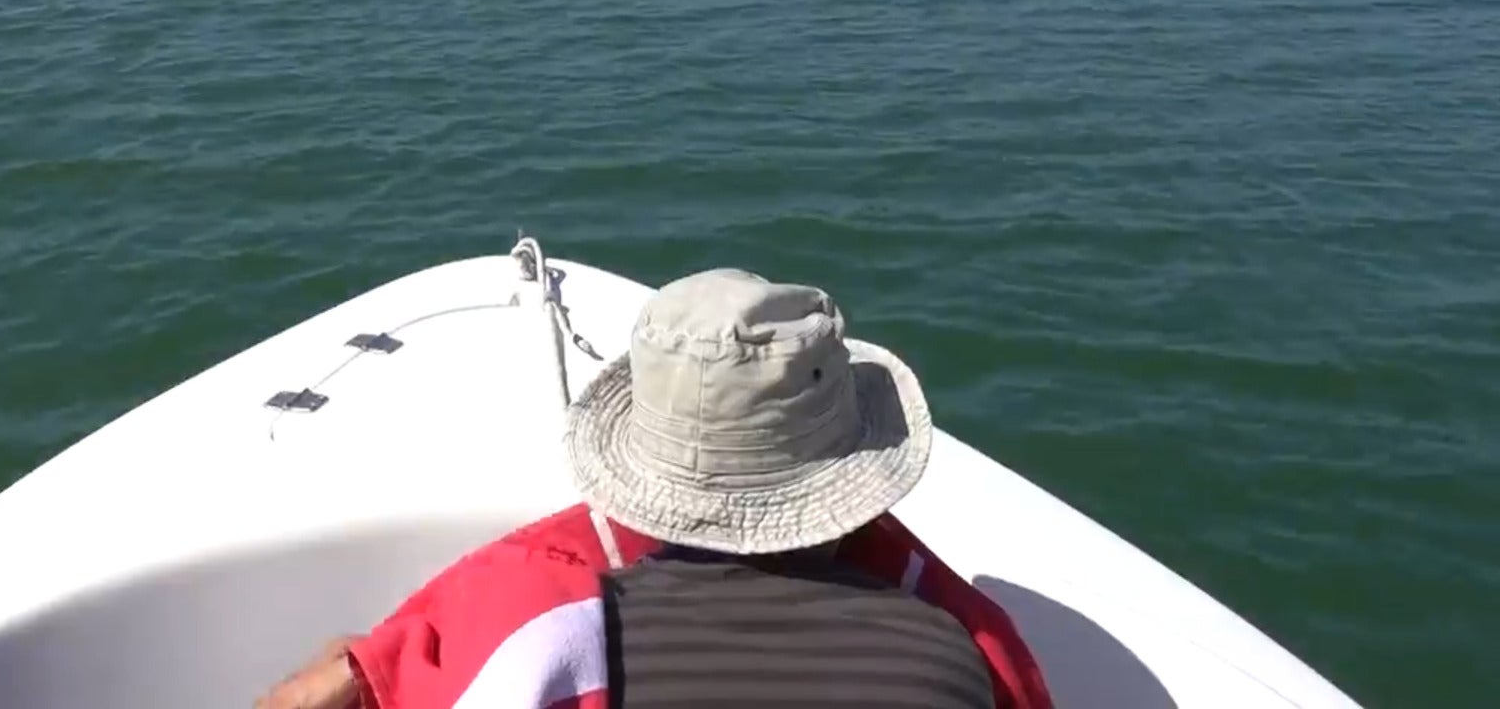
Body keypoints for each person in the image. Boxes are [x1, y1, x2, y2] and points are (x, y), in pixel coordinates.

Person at [257, 269, 1053, 709]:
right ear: (851, 469)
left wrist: (355, 664)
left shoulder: (547, 622)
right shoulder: (959, 647)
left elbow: (302, 703)